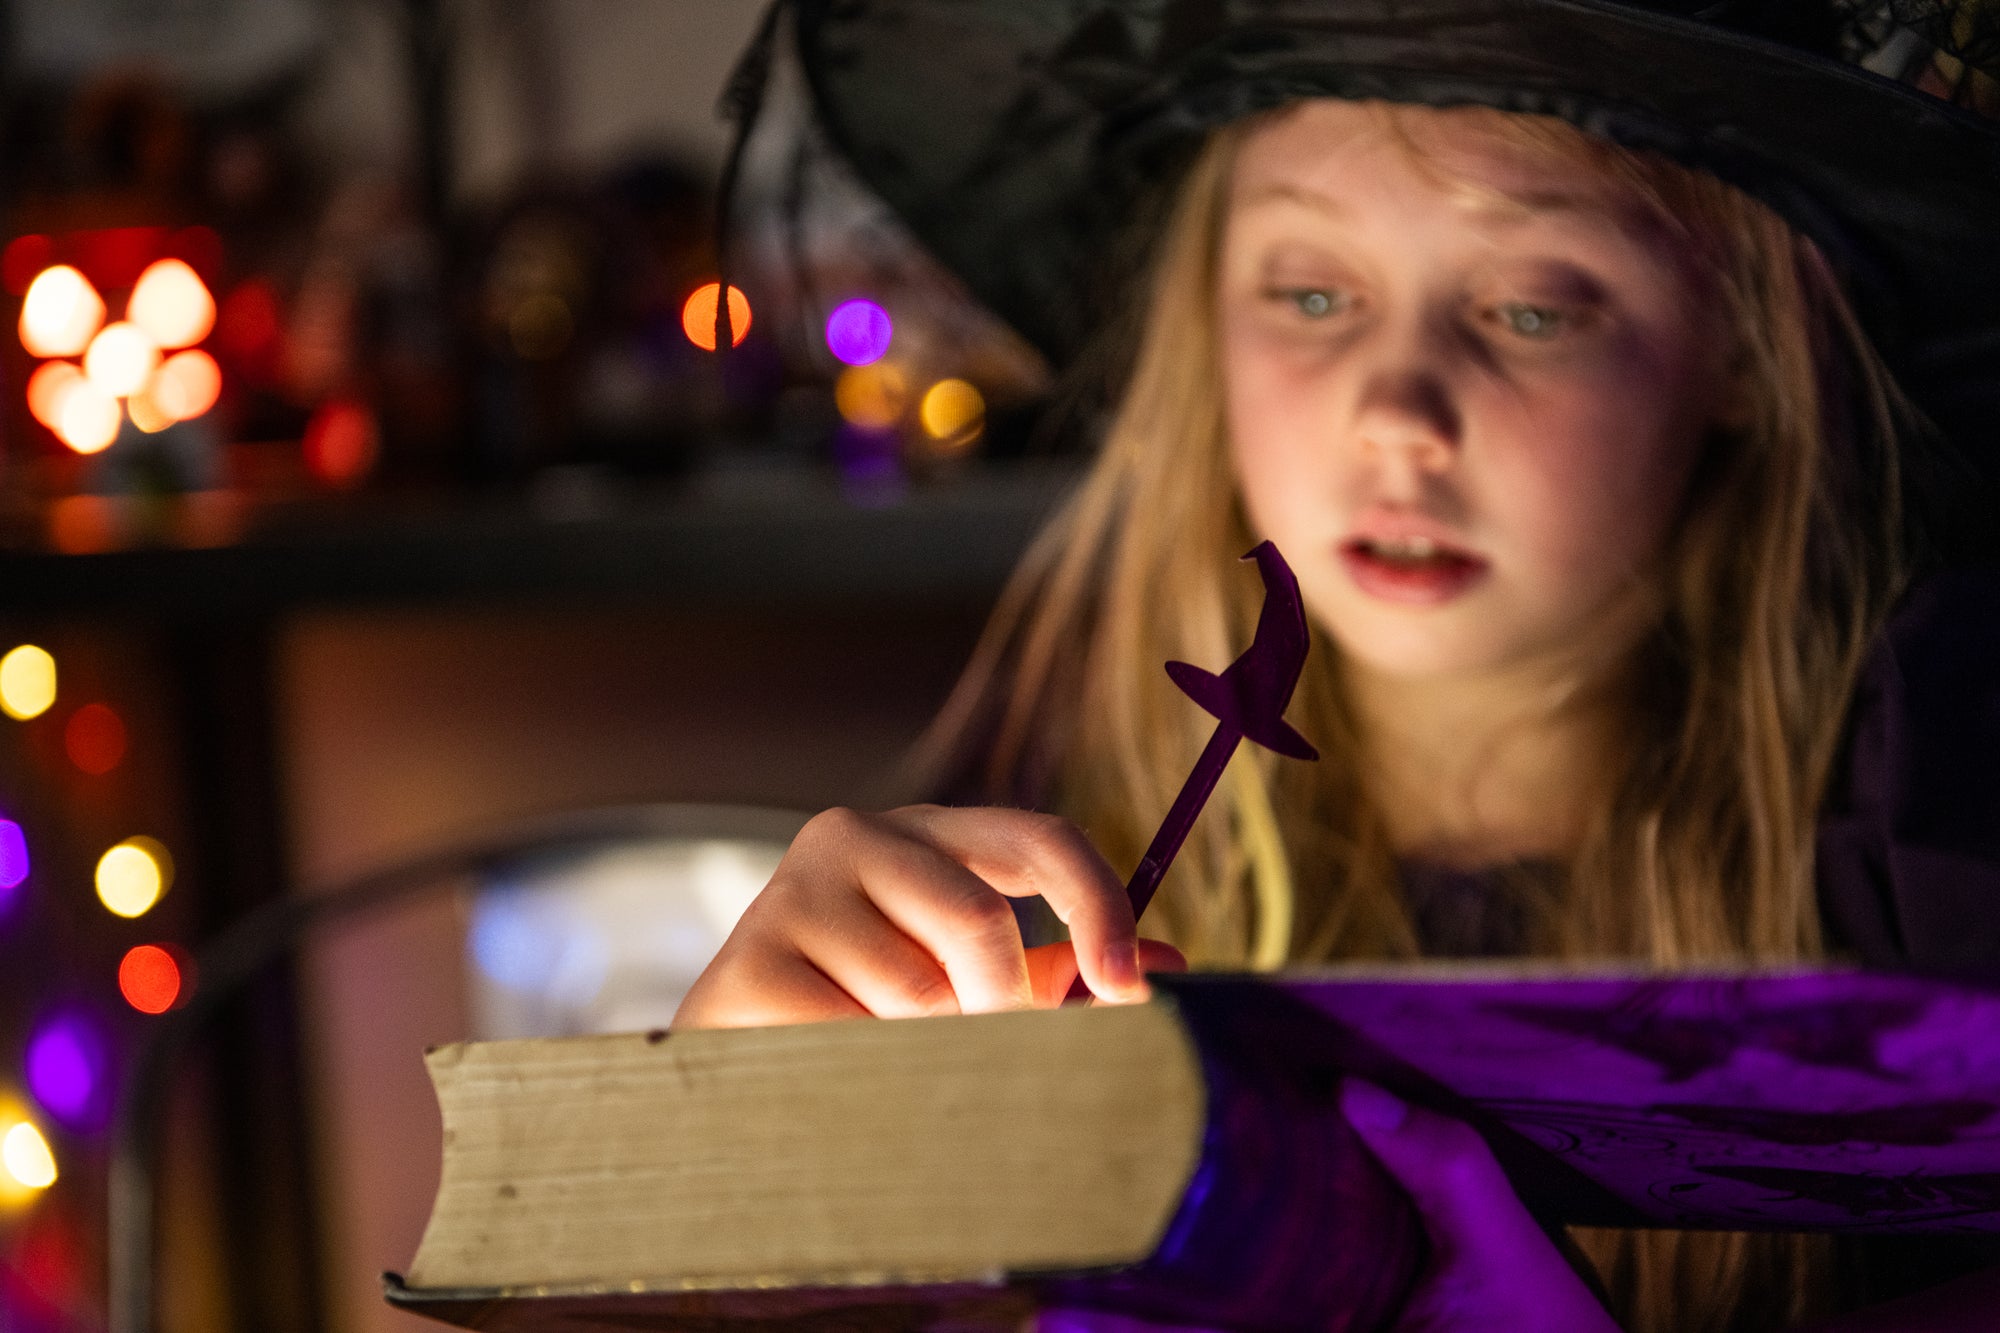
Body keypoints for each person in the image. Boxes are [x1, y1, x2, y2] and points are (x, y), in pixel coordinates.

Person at [675, 2, 2000, 1328]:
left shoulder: (1925, 814)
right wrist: (725, 1180)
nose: (1395, 415)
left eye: (1533, 308)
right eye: (1313, 294)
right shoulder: (1046, 830)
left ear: (1745, 354)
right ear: (1205, 325)